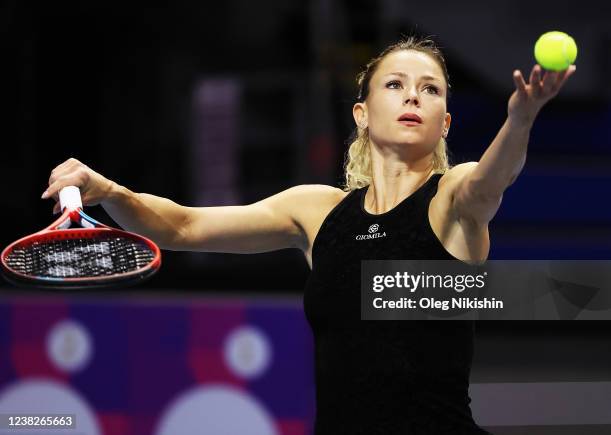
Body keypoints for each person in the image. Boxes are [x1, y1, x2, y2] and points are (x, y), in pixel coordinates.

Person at [42, 36, 575, 434]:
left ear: (445, 124)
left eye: (429, 89)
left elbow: (492, 179)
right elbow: (183, 225)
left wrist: (521, 119)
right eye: (396, 84)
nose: (413, 96)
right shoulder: (316, 210)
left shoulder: (451, 199)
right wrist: (107, 188)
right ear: (362, 116)